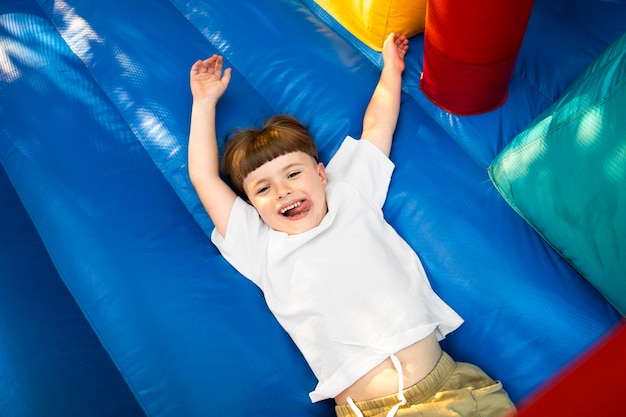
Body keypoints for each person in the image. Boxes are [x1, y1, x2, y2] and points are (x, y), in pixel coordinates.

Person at [188, 33, 516, 417]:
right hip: (377, 411)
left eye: (293, 173)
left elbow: (377, 125)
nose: (283, 191)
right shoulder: (260, 248)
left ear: (322, 175)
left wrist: (391, 69)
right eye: (263, 188)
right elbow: (204, 178)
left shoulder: (351, 195)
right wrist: (204, 102)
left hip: (454, 385)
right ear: (252, 206)